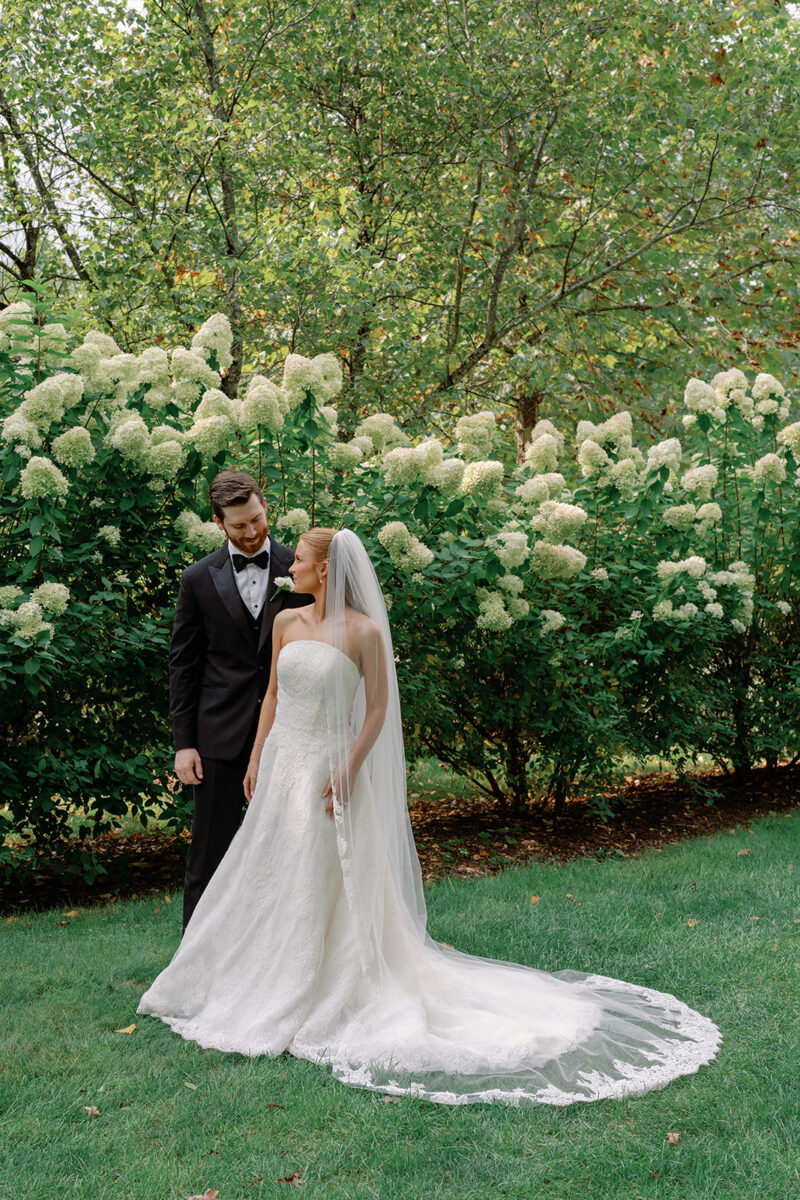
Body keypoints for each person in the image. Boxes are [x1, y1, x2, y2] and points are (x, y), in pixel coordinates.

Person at [138, 527, 721, 1106]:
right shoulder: (288, 622)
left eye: (302, 564)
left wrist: (348, 768)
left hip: (328, 767)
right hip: (282, 765)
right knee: (267, 868)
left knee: (324, 875)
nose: (290, 570)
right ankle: (254, 975)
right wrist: (259, 754)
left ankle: (325, 979)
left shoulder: (364, 633)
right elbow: (270, 695)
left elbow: (378, 711)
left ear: (327, 571)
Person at [168, 470, 312, 932]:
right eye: (238, 526)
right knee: (209, 852)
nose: (251, 533)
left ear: (265, 506)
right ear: (218, 523)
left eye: (256, 519)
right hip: (218, 736)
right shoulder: (197, 580)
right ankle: (194, 958)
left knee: (293, 848)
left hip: (291, 732)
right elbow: (184, 666)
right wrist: (183, 743)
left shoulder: (303, 569)